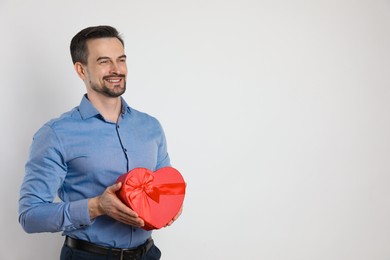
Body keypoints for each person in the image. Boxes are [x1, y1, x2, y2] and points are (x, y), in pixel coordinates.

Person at [18, 25, 181, 260]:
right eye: (104, 61)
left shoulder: (151, 127)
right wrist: (96, 207)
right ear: (81, 70)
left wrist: (170, 205)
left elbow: (164, 187)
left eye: (121, 60)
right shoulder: (56, 134)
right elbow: (30, 215)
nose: (116, 70)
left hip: (148, 254)